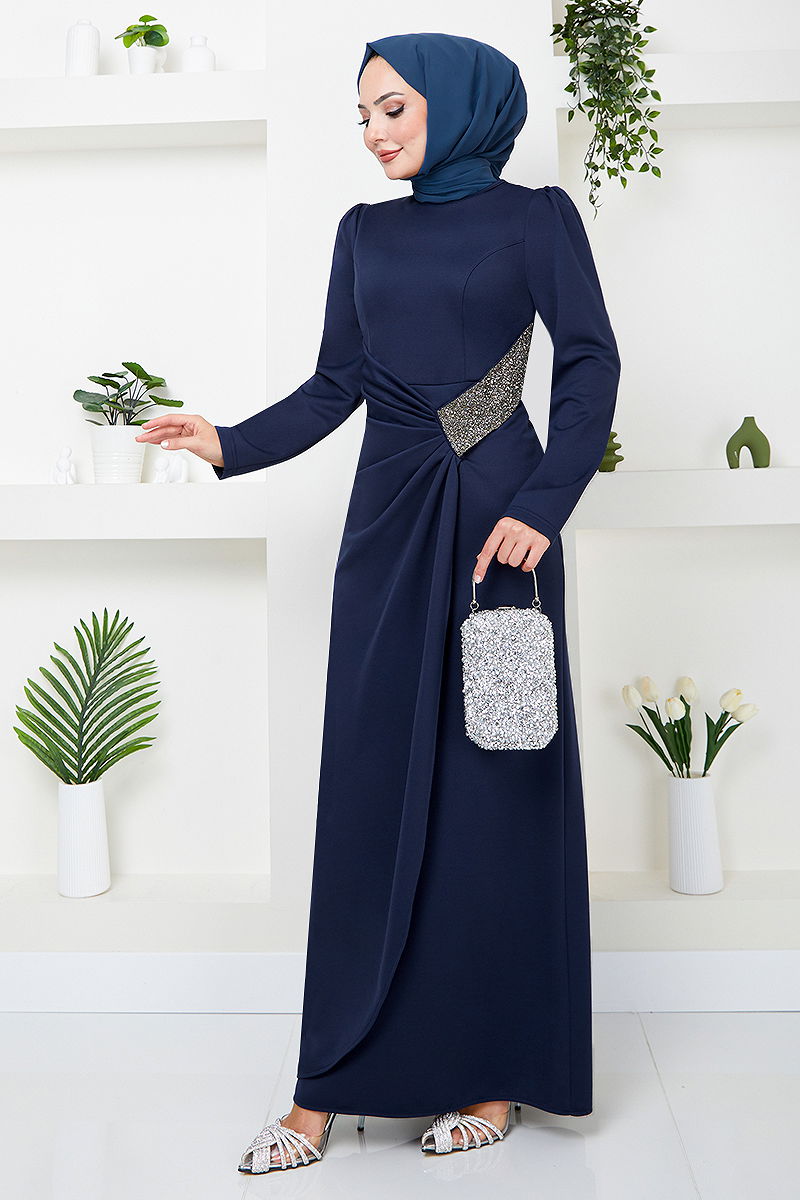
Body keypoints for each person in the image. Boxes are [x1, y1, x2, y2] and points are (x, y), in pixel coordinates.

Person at [136, 31, 621, 1171]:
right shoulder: (362, 232)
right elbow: (337, 385)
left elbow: (589, 364)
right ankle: (326, 1087)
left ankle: (493, 1076)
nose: (373, 132)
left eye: (392, 108)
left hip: (499, 527)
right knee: (365, 788)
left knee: (495, 787)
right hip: (386, 523)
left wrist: (543, 506)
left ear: (456, 105)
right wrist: (227, 442)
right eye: (362, 114)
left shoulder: (537, 219)